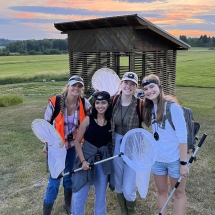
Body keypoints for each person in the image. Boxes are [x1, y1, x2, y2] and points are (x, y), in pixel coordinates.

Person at [42, 75, 91, 215]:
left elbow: (94, 116)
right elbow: (46, 125)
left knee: (69, 175)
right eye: (74, 85)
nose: (76, 88)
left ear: (82, 89)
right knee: (55, 179)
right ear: (68, 86)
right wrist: (46, 144)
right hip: (56, 148)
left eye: (79, 86)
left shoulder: (84, 103)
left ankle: (67, 204)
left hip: (71, 147)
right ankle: (47, 210)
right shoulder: (55, 102)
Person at [141, 74, 189, 215]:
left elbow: (182, 136)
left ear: (159, 87)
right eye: (146, 89)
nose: (149, 91)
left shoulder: (172, 107)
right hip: (158, 160)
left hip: (175, 160)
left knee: (178, 194)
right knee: (162, 192)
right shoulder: (149, 107)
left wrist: (183, 163)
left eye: (152, 87)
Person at [71, 91, 114, 215]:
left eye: (103, 103)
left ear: (108, 103)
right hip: (86, 159)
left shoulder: (110, 121)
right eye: (98, 103)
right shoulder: (88, 120)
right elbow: (77, 142)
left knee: (101, 196)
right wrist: (83, 161)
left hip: (103, 161)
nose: (100, 106)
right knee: (80, 193)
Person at [111, 72, 142, 215]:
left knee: (129, 187)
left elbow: (153, 118)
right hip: (115, 142)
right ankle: (123, 210)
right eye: (126, 83)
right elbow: (95, 110)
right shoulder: (113, 101)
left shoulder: (140, 104)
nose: (128, 86)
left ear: (136, 87)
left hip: (132, 145)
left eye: (132, 84)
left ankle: (131, 209)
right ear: (121, 84)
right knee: (118, 178)